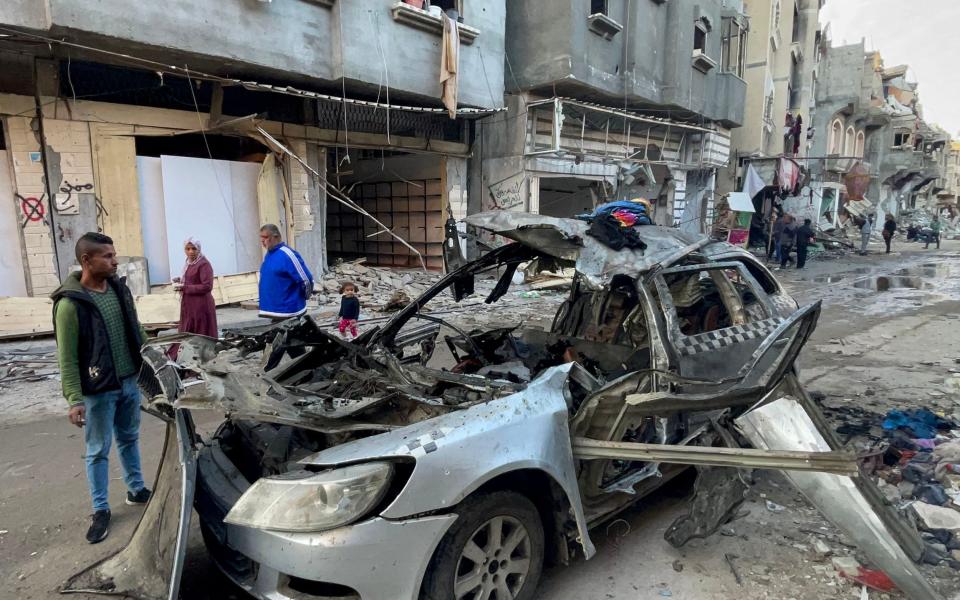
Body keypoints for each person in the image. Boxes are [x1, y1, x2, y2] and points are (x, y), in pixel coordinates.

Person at [51, 232, 151, 544]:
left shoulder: (120, 289)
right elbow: (66, 357)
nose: (115, 260)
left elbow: (135, 330)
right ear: (86, 260)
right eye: (107, 256)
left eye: (114, 254)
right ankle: (100, 509)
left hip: (128, 382)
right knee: (97, 450)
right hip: (98, 390)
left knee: (129, 438)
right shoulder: (70, 305)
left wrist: (155, 358)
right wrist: (74, 398)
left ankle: (136, 490)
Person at [257, 224, 314, 320]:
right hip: (273, 311)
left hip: (288, 311)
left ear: (275, 237)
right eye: (261, 237)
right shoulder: (269, 254)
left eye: (265, 237)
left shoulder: (288, 254)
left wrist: (305, 296)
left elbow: (306, 279)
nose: (262, 240)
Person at [173, 237, 217, 338]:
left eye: (194, 248)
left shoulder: (203, 264)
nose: (191, 252)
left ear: (199, 249)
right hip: (189, 305)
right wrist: (180, 280)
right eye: (187, 249)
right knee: (189, 332)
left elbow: (207, 286)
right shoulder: (189, 263)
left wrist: (184, 287)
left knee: (200, 333)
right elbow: (193, 279)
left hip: (201, 306)